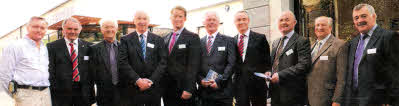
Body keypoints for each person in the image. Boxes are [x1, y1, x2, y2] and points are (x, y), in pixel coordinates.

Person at [338, 3, 397, 106]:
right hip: (353, 100)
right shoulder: (353, 43)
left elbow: (396, 73)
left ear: (374, 16)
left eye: (363, 16)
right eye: (356, 18)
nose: (360, 20)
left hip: (377, 101)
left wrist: (391, 102)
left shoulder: (388, 37)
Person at [119, 11, 167, 106]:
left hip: (153, 88)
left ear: (148, 21)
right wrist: (138, 81)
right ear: (134, 21)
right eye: (139, 18)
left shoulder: (158, 39)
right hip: (133, 88)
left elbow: (163, 62)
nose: (142, 21)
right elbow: (123, 62)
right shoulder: (125, 40)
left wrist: (151, 81)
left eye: (144, 19)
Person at [0, 16, 51, 106]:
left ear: (45, 30)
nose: (39, 30)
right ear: (27, 28)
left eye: (42, 28)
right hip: (26, 95)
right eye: (35, 27)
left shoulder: (44, 48)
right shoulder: (15, 46)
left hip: (45, 94)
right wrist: (15, 95)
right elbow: (4, 75)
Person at [265, 11, 311, 106]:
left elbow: (304, 65)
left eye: (287, 20)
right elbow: (273, 63)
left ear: (294, 22)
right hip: (275, 93)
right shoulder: (275, 42)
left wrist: (280, 75)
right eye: (281, 20)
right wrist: (269, 71)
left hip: (292, 95)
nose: (283, 22)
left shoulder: (302, 41)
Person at [47, 17, 95, 106]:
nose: (72, 31)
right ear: (63, 30)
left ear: (80, 30)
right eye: (69, 29)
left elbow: (92, 70)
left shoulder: (90, 47)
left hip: (84, 93)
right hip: (61, 94)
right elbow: (50, 70)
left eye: (76, 29)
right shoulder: (52, 47)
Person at [161, 6, 201, 106]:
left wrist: (189, 88)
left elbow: (194, 65)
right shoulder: (165, 38)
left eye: (180, 16)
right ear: (170, 18)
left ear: (185, 19)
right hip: (167, 89)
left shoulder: (193, 37)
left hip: (183, 89)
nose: (177, 19)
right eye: (175, 16)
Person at [197, 11, 236, 106]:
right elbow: (195, 65)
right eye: (208, 20)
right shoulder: (198, 42)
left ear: (218, 22)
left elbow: (231, 64)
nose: (211, 22)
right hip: (204, 93)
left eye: (214, 20)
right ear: (204, 23)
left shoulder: (229, 40)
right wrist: (200, 80)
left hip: (222, 91)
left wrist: (219, 81)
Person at [233, 10, 271, 106]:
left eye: (244, 19)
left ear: (248, 21)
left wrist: (268, 70)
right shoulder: (231, 41)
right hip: (239, 86)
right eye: (238, 20)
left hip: (257, 84)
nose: (241, 22)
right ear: (235, 22)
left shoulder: (260, 38)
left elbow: (267, 60)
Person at [306, 16, 346, 106]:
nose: (319, 28)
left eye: (323, 25)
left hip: (328, 99)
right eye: (317, 25)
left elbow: (342, 77)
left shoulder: (340, 45)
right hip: (310, 99)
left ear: (330, 27)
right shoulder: (311, 47)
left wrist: (337, 100)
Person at [90, 19, 126, 106]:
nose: (109, 30)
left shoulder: (124, 47)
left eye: (112, 27)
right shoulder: (93, 49)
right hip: (103, 95)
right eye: (106, 27)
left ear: (116, 29)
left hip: (123, 93)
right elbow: (91, 73)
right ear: (101, 30)